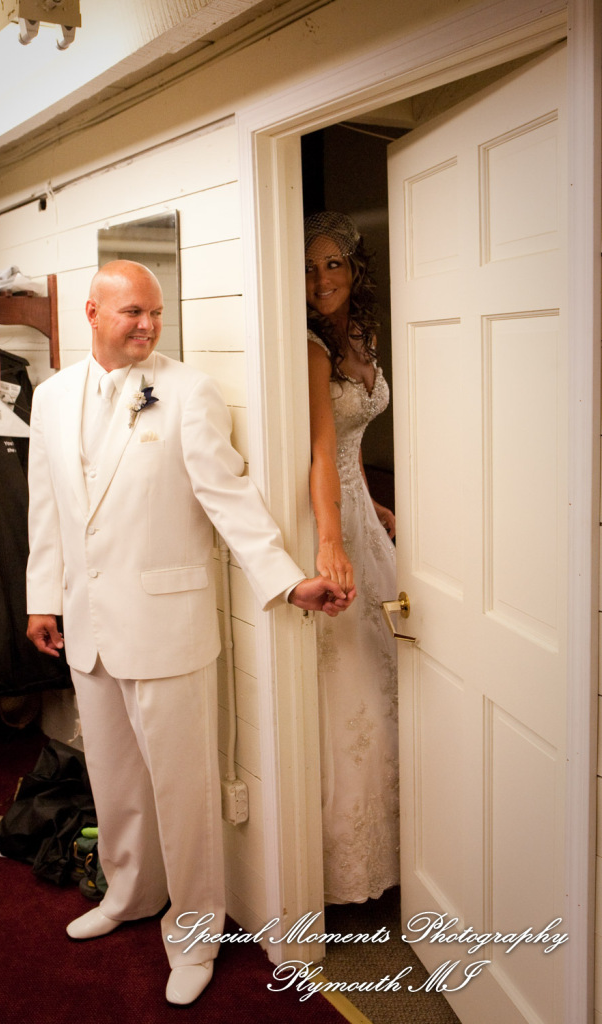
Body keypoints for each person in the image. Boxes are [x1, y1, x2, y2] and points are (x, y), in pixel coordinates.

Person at [26, 260, 354, 1005]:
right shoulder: (49, 399)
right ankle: (127, 894)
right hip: (89, 627)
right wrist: (42, 598)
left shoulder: (185, 393)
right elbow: (46, 507)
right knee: (111, 779)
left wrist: (286, 579)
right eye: (132, 313)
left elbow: (226, 496)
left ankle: (196, 932)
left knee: (183, 793)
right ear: (91, 314)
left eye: (156, 314)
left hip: (167, 627)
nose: (147, 325)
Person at [305, 211, 399, 904]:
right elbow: (317, 452)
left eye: (332, 264)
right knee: (351, 683)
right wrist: (332, 536)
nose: (320, 279)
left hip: (359, 510)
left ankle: (412, 853)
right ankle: (345, 873)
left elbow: (350, 443)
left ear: (354, 270)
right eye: (308, 268)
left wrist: (371, 504)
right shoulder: (307, 348)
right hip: (324, 516)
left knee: (396, 663)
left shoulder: (362, 337)